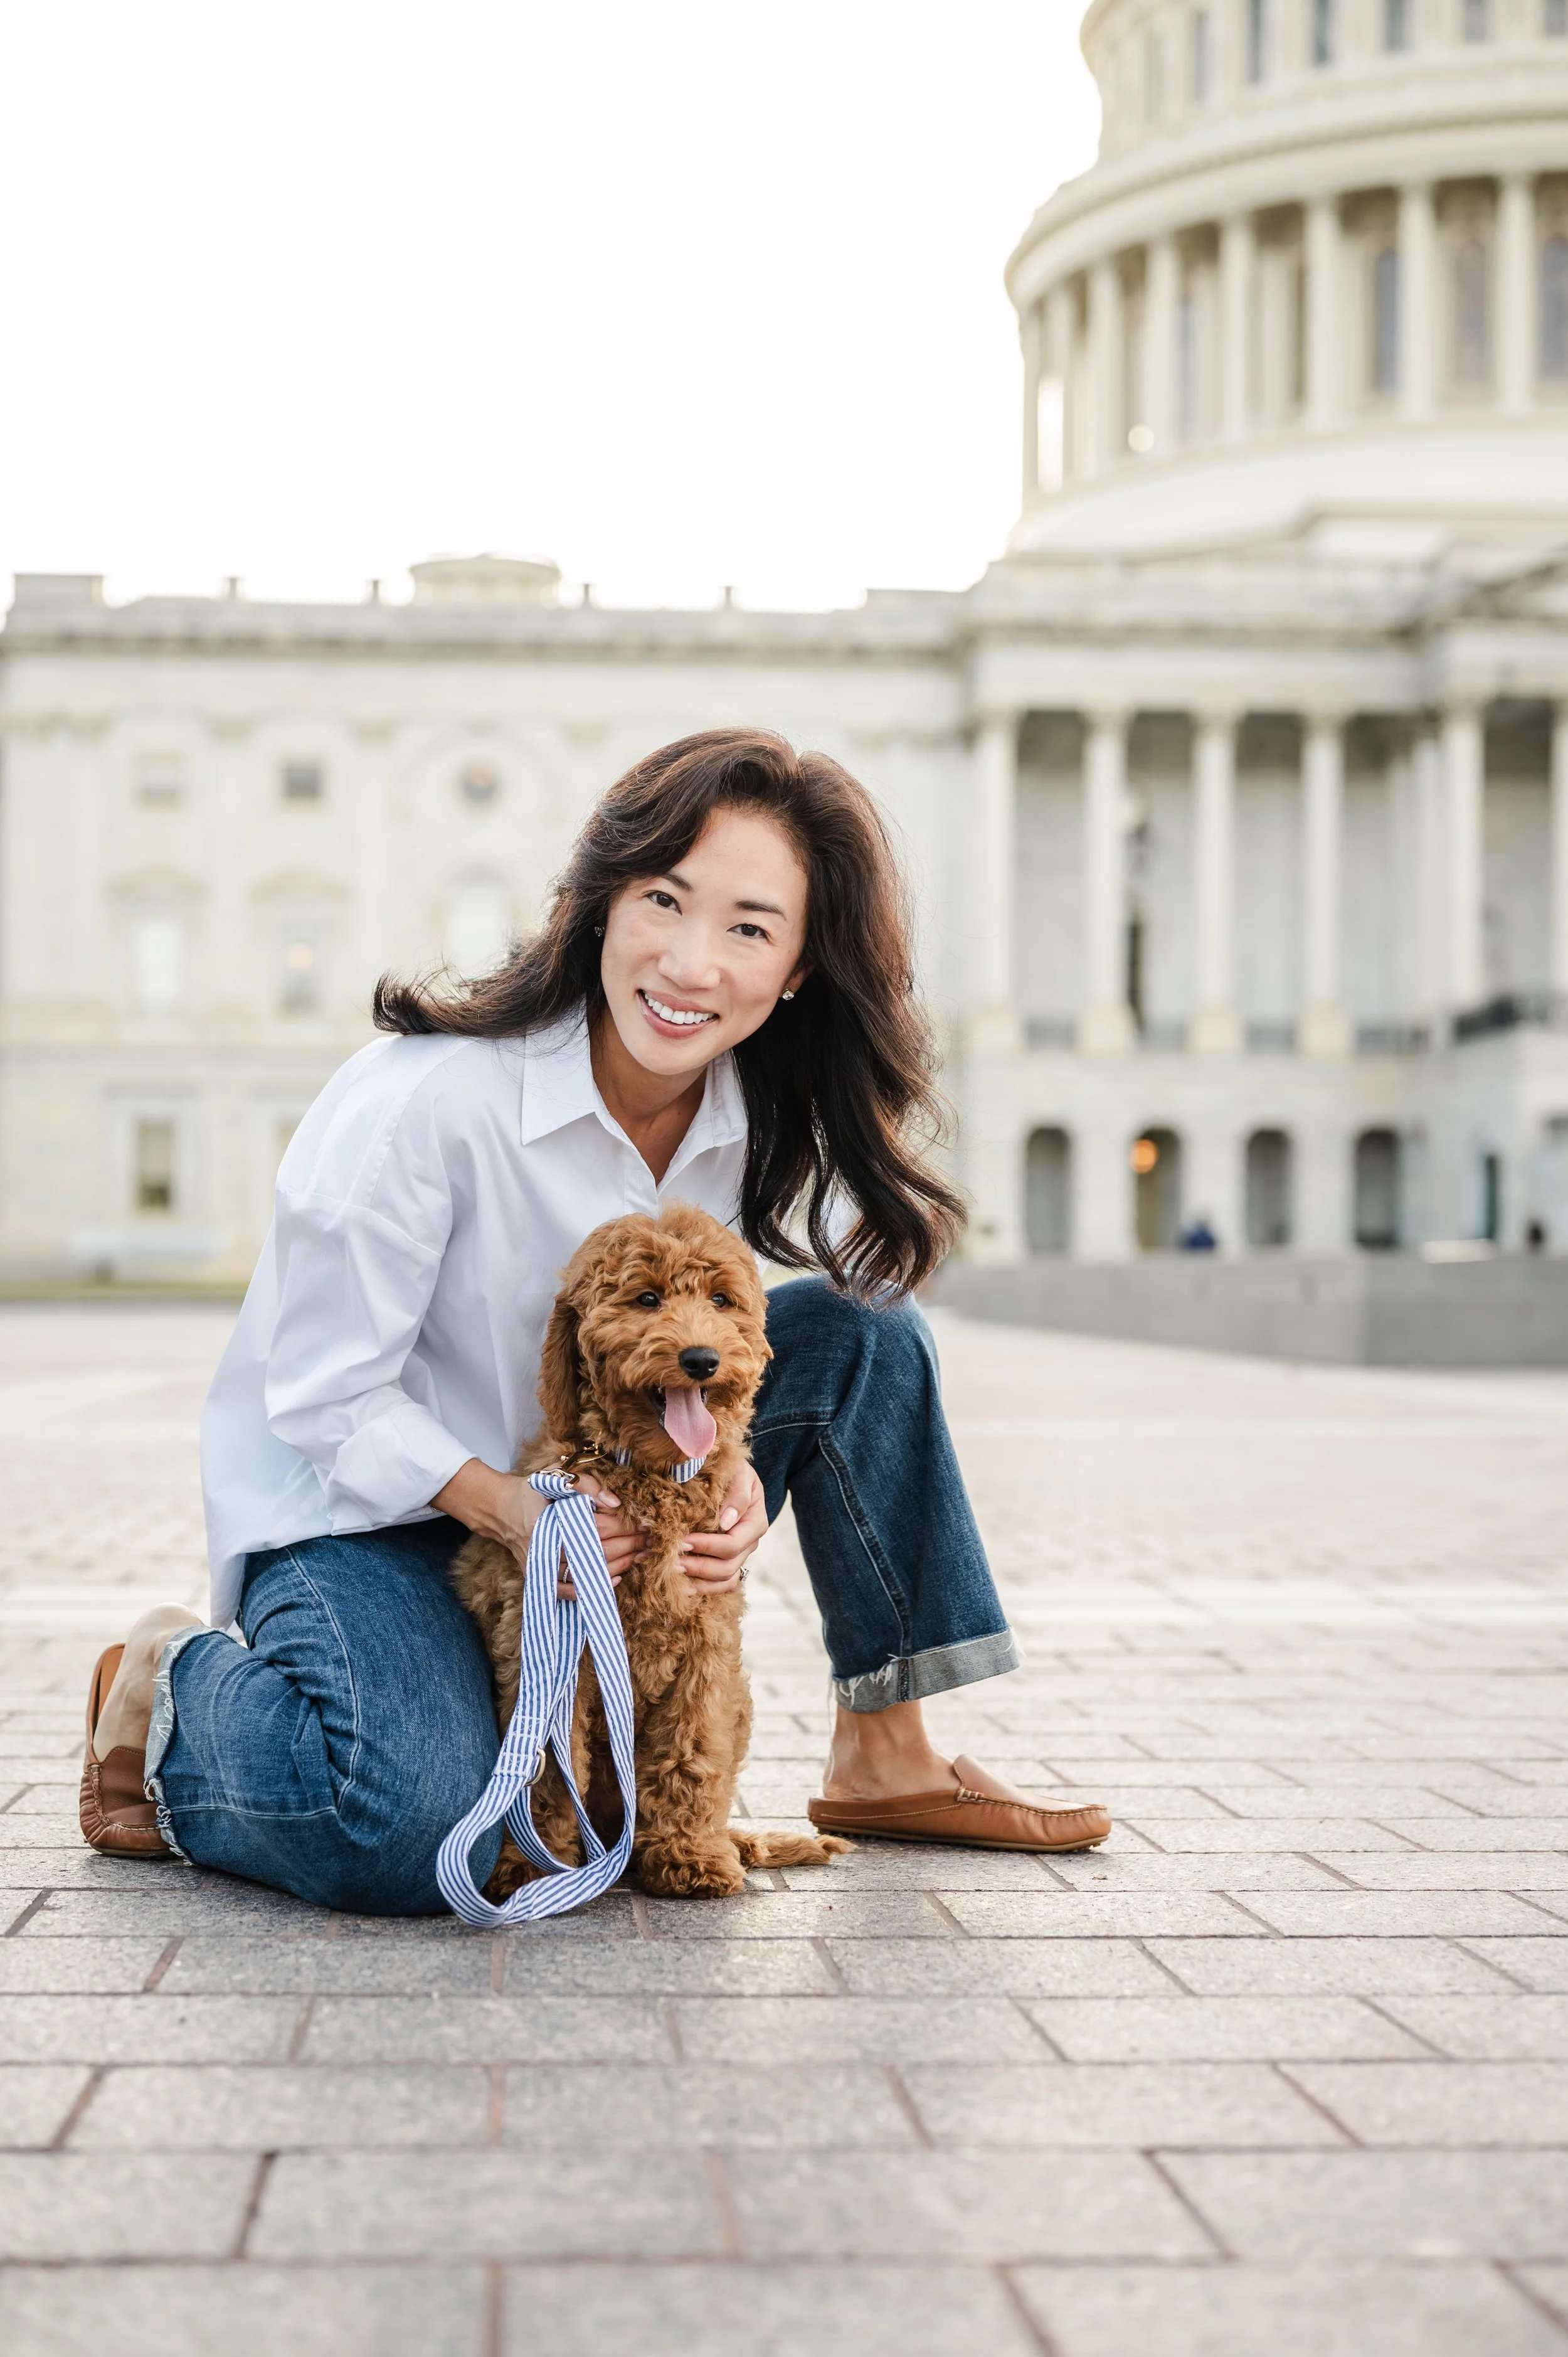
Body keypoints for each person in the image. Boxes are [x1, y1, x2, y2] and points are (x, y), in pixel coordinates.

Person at [80, 728, 1111, 1913]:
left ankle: (886, 1753)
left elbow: (722, 1356)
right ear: (598, 902)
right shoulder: (429, 1100)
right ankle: (170, 1693)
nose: (688, 963)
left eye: (748, 928)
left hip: (599, 1481)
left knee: (867, 1329)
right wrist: (515, 1511)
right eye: (663, 901)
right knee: (413, 1829)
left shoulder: (747, 1111)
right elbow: (319, 1396)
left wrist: (733, 1489)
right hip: (375, 1515)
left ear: (797, 972)